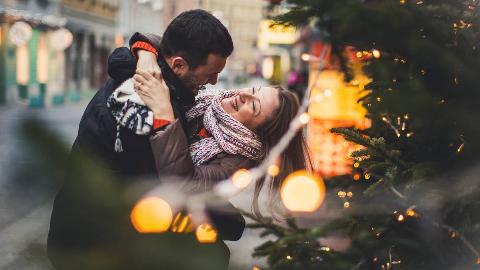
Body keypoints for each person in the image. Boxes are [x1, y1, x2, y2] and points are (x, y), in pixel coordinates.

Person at [47, 10, 245, 270]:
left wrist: (144, 49)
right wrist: (230, 222)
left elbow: (146, 44)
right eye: (209, 73)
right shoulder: (140, 106)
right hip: (94, 246)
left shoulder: (157, 82)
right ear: (178, 65)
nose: (214, 81)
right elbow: (167, 185)